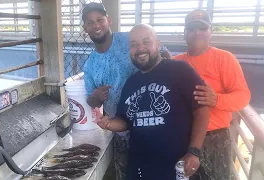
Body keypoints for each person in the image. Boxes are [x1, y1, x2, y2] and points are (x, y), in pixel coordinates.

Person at [94, 23, 210, 180]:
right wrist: (108, 123)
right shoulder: (131, 83)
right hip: (139, 168)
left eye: (146, 42)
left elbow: (202, 110)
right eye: (134, 45)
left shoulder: (181, 70)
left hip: (175, 166)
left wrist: (194, 151)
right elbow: (126, 121)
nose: (140, 48)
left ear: (158, 44)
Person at [82, 2, 172, 180]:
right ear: (85, 28)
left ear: (109, 20)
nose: (96, 25)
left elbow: (164, 55)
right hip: (122, 133)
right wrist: (96, 97)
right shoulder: (90, 66)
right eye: (90, 22)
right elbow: (91, 101)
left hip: (154, 127)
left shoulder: (130, 40)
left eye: (99, 20)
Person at [173, 9, 251, 180]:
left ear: (211, 32)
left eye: (202, 28)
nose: (197, 33)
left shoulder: (225, 58)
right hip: (181, 139)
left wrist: (216, 99)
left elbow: (243, 96)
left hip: (215, 140)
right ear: (184, 33)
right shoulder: (176, 63)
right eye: (192, 28)